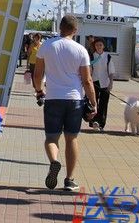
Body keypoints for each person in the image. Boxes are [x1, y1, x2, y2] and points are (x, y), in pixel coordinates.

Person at [33, 14, 97, 192]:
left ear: (60, 27)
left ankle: (54, 161)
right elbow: (87, 81)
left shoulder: (46, 46)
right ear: (75, 30)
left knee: (51, 138)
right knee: (72, 138)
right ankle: (69, 180)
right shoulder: (81, 50)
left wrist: (39, 91)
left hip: (53, 98)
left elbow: (37, 75)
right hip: (75, 100)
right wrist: (93, 102)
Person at [89, 38, 115, 131]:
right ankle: (94, 122)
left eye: (100, 45)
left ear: (103, 46)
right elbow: (89, 69)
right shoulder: (91, 56)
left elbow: (111, 71)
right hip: (94, 82)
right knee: (94, 102)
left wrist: (111, 83)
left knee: (103, 104)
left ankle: (101, 124)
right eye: (97, 45)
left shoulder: (108, 57)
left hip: (105, 83)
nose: (98, 47)